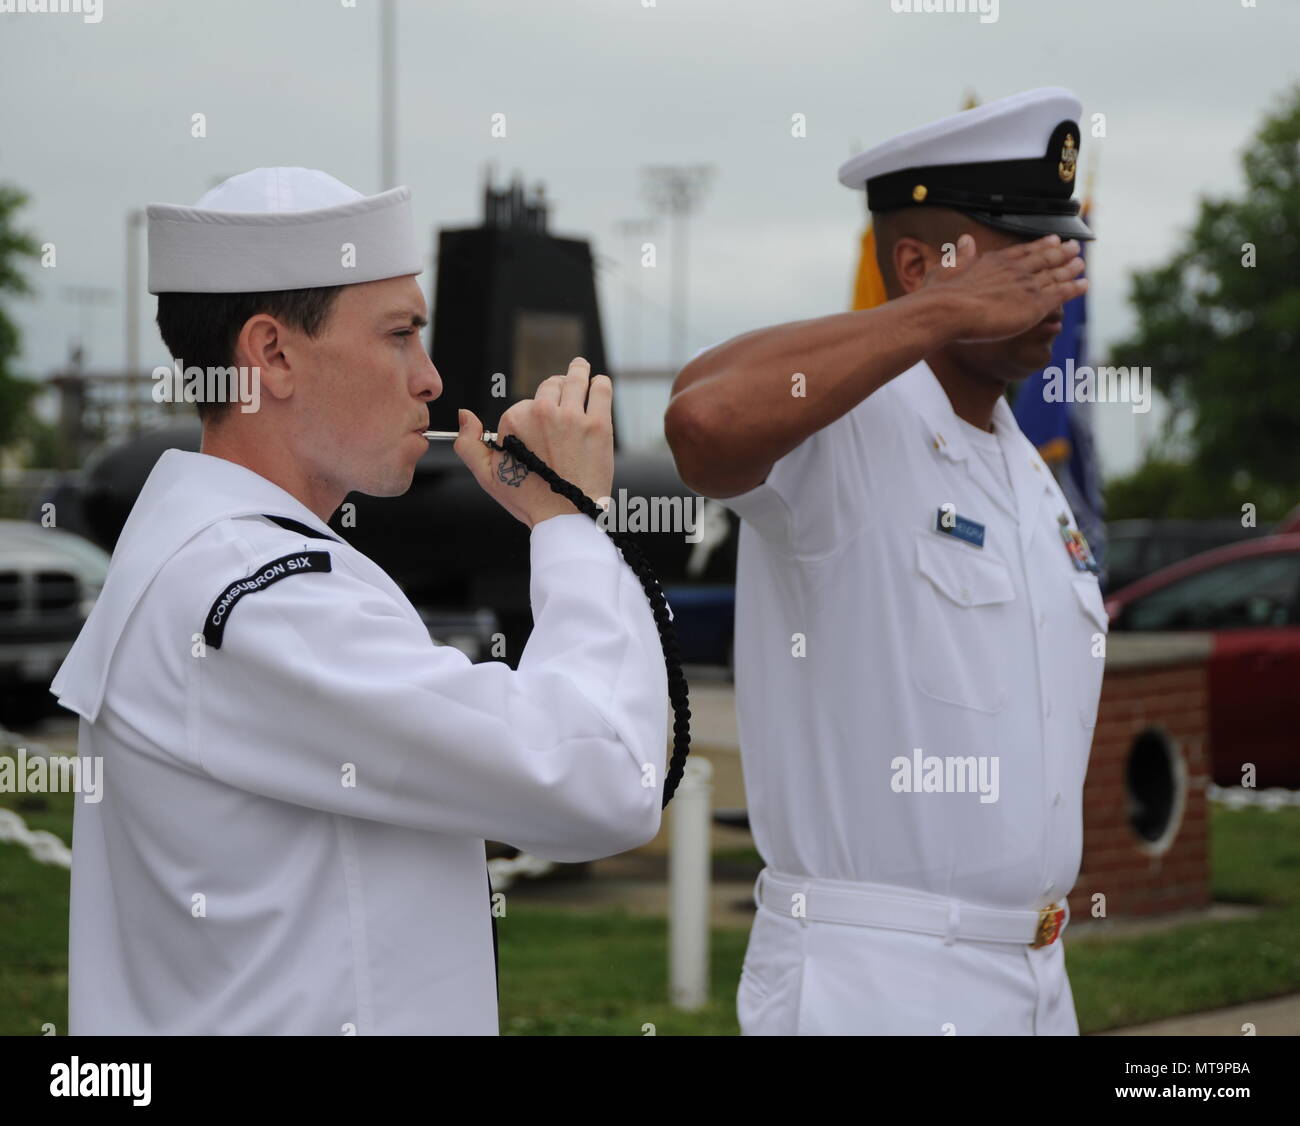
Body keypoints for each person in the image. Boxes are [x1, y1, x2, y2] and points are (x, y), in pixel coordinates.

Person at [50, 167, 667, 1035]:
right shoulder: (258, 600)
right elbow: (603, 780)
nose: (430, 377)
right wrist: (571, 525)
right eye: (400, 335)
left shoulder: (223, 560)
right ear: (272, 354)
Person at [664, 88, 1106, 1035]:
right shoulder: (847, 430)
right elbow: (702, 419)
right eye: (1023, 255)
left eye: (1065, 251)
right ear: (918, 265)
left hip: (1034, 976)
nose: (1058, 281)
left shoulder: (1029, 476)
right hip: (873, 977)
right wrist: (937, 318)